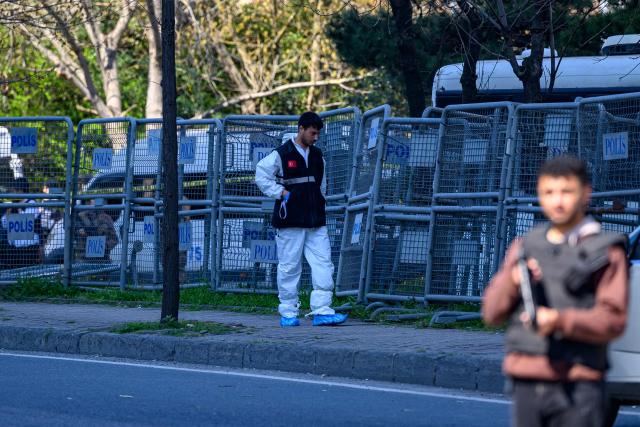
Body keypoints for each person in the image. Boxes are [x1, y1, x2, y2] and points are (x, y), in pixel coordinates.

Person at [482, 156, 629, 427]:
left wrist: (559, 321)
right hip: (528, 380)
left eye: (567, 192)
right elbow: (491, 313)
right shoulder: (524, 246)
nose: (558, 201)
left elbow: (613, 321)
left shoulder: (606, 251)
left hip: (579, 383)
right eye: (549, 192)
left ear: (586, 194)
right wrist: (513, 280)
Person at [255, 112, 347, 327]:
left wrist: (319, 202)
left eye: (317, 134)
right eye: (313, 132)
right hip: (290, 221)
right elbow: (261, 175)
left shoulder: (318, 156)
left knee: (324, 264)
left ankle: (323, 310)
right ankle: (288, 312)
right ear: (301, 129)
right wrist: (281, 193)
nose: (315, 137)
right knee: (289, 266)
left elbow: (321, 185)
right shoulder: (281, 154)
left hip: (316, 221)